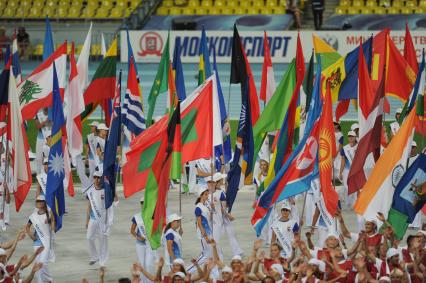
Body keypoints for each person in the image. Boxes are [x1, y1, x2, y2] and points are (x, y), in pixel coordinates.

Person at [26, 195, 55, 283]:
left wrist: (52, 231)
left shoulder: (49, 213)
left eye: (41, 201)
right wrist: (32, 236)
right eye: (37, 201)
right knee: (38, 264)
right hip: (37, 243)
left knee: (43, 263)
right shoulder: (33, 216)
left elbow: (53, 222)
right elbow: (27, 227)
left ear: (44, 203)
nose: (39, 203)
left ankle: (45, 280)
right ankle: (47, 279)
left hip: (46, 242)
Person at [86, 168, 111, 268]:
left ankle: (103, 262)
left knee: (102, 241)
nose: (96, 179)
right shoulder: (90, 191)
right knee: (88, 238)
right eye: (95, 177)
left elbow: (109, 207)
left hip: (102, 220)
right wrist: (86, 220)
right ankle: (94, 257)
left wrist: (108, 222)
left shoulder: (105, 191)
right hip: (93, 218)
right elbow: (88, 207)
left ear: (101, 179)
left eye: (98, 178)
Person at [130, 195, 157, 283]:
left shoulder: (153, 215)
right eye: (141, 203)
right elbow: (132, 231)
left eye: (145, 203)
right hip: (140, 243)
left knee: (149, 263)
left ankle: (150, 281)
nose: (143, 204)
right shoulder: (137, 217)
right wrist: (138, 237)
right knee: (141, 263)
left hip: (150, 243)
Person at [338, 130, 358, 211]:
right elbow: (343, 161)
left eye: (352, 136)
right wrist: (340, 172)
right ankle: (348, 203)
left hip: (356, 170)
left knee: (356, 187)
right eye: (349, 136)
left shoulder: (359, 147)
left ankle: (355, 204)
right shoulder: (344, 148)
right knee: (347, 187)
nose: (350, 138)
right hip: (347, 170)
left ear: (355, 137)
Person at [195, 185, 213, 259]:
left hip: (208, 232)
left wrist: (212, 209)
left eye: (207, 194)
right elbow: (199, 224)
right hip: (203, 234)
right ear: (200, 196)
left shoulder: (206, 205)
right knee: (204, 255)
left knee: (208, 254)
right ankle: (190, 269)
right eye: (205, 194)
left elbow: (210, 219)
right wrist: (205, 237)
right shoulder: (198, 208)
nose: (207, 196)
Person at [34, 108, 51, 174]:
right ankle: (39, 175)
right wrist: (46, 122)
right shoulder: (38, 112)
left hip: (50, 137)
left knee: (49, 157)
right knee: (39, 158)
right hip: (40, 138)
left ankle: (49, 175)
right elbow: (38, 126)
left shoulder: (52, 110)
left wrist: (44, 123)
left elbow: (53, 124)